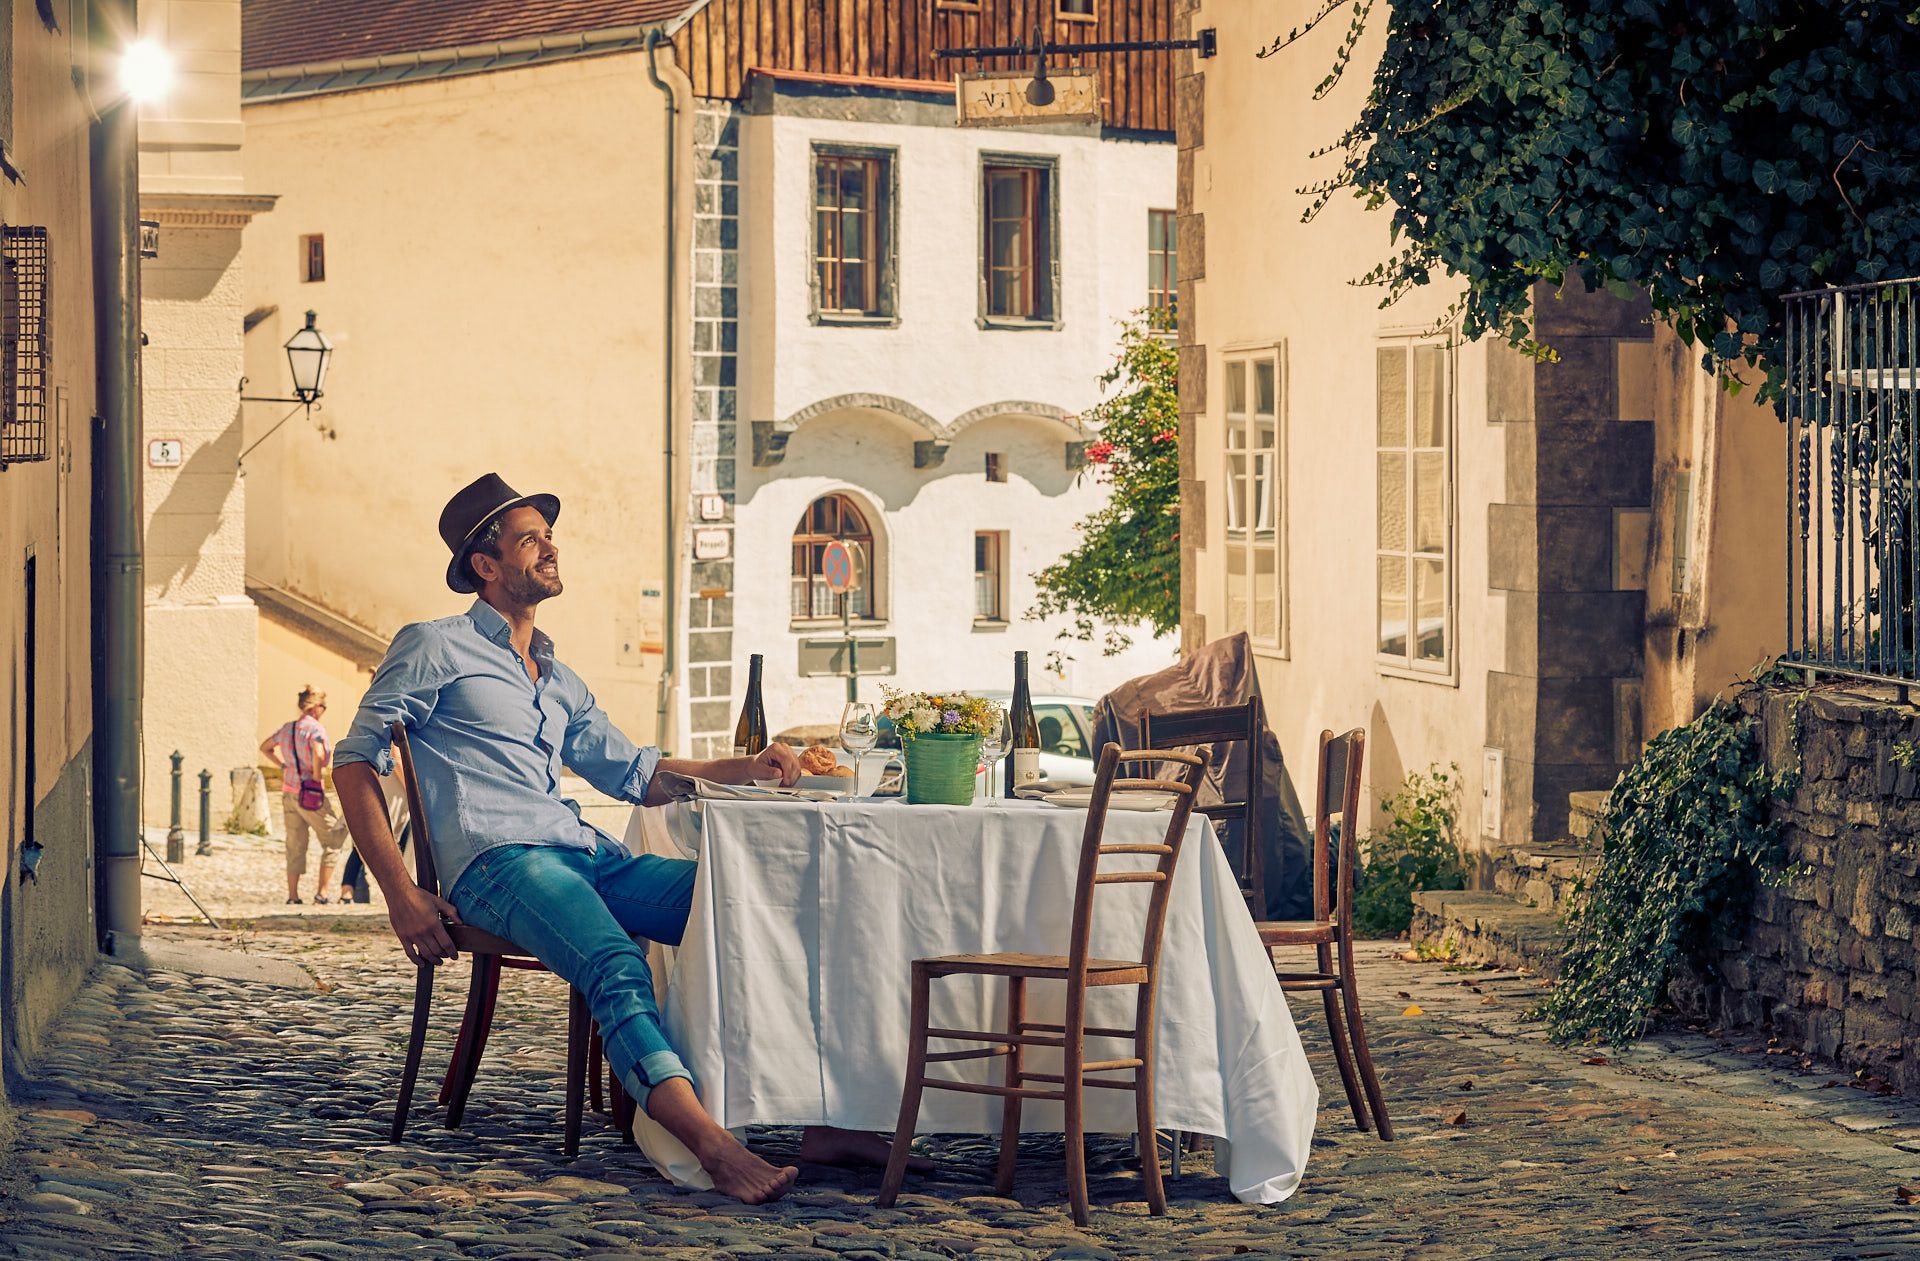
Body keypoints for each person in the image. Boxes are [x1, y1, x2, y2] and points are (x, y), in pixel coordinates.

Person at [332, 473, 919, 1206]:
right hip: (497, 865)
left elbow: (636, 773)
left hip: (584, 855)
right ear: (485, 565)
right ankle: (713, 1145)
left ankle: (828, 1120)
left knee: (772, 905)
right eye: (530, 539)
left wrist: (747, 767)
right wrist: (399, 894)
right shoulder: (433, 646)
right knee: (616, 962)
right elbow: (355, 760)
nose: (550, 548)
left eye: (548, 536)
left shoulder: (557, 676)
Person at [261, 686, 351, 904]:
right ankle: (322, 892)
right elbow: (319, 753)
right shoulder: (315, 729)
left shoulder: (287, 728)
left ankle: (293, 895)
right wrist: (317, 773)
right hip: (310, 793)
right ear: (316, 707)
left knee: (295, 844)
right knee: (334, 837)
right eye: (324, 706)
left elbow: (265, 747)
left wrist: (283, 766)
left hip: (289, 792)